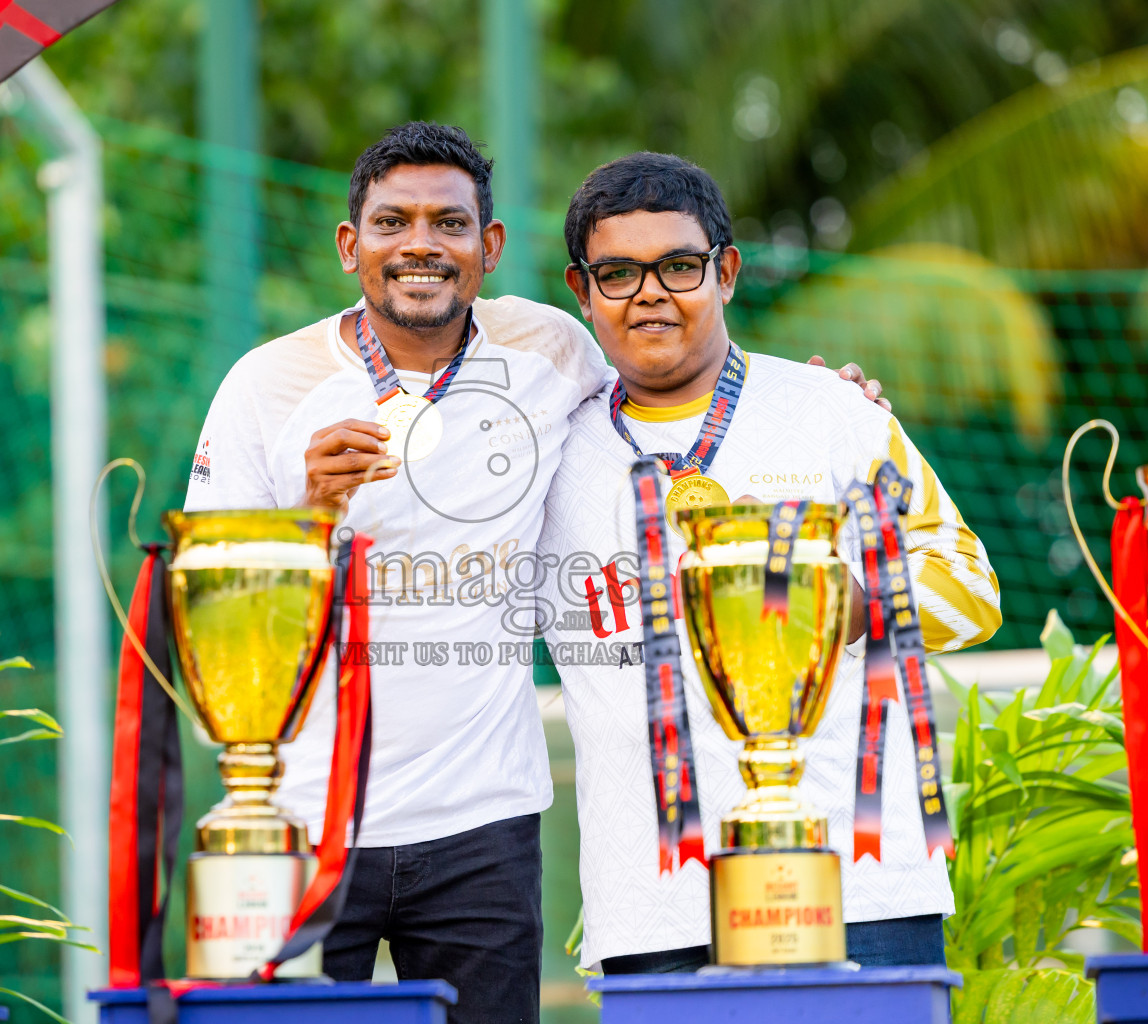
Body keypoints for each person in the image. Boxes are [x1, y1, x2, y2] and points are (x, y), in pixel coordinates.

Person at [185, 123, 887, 1022]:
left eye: (449, 221)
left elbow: (664, 392)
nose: (422, 245)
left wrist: (826, 406)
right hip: (299, 816)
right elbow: (208, 617)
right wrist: (309, 518)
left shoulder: (552, 349)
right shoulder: (265, 384)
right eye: (393, 223)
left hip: (484, 823)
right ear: (351, 246)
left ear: (490, 245)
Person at [536, 151, 1002, 976]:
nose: (649, 293)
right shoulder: (549, 452)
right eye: (618, 273)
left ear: (727, 272)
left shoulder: (830, 412)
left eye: (678, 266)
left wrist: (828, 604)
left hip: (862, 886)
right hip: (653, 901)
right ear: (582, 291)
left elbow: (970, 588)